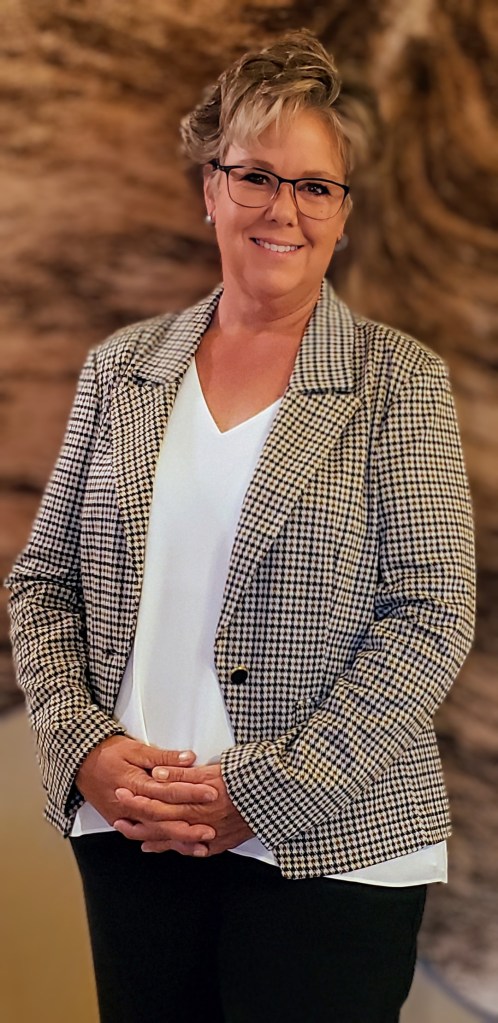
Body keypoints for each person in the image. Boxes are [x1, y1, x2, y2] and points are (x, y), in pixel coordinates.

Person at [6, 29, 475, 1023]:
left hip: (330, 851)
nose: (283, 209)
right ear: (210, 189)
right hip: (133, 834)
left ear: (343, 213)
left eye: (316, 186)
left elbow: (430, 617)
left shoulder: (402, 382)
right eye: (256, 175)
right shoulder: (121, 369)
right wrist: (86, 748)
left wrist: (265, 794)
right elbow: (43, 583)